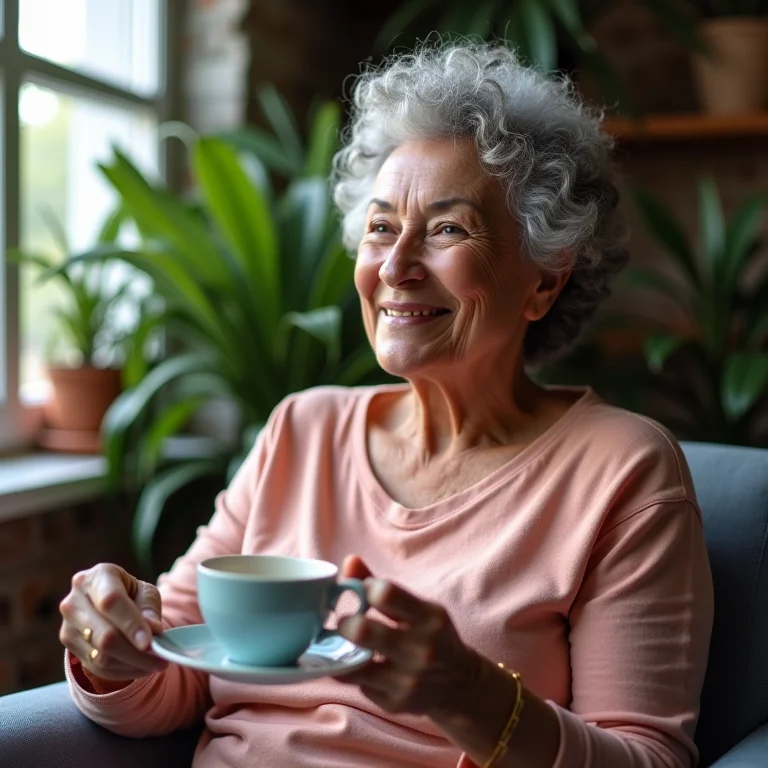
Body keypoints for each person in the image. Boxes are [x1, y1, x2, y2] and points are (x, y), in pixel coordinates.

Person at [58, 42, 713, 768]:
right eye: (379, 227)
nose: (396, 267)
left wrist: (470, 695)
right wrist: (112, 644)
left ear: (544, 282)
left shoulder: (622, 471)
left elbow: (647, 759)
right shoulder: (301, 430)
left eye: (446, 229)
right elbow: (174, 671)